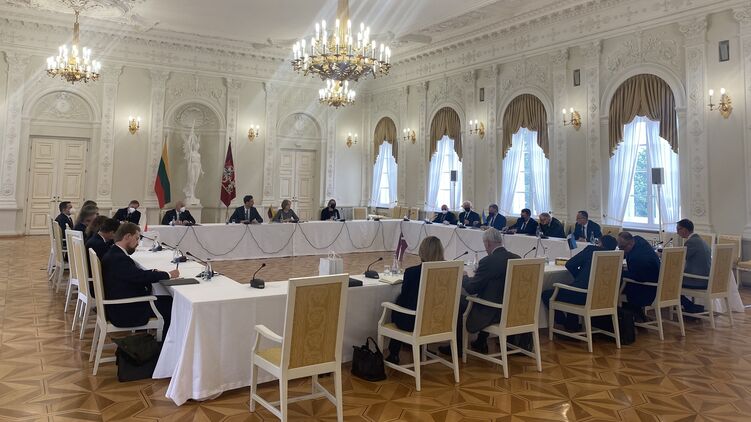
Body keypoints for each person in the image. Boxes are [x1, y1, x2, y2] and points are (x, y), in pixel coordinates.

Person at [438, 228, 519, 357]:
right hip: (511, 311)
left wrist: (464, 277)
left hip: (492, 311)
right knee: (489, 293)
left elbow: (472, 288)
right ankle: (481, 341)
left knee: (458, 301)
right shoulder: (516, 258)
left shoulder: (488, 261)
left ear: (487, 243)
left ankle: (458, 347)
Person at [101, 222, 178, 335]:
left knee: (166, 299)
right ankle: (165, 344)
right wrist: (168, 275)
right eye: (137, 238)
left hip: (120, 305)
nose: (138, 243)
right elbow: (139, 277)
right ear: (127, 236)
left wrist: (152, 272)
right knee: (172, 305)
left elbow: (134, 274)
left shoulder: (114, 253)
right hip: (125, 310)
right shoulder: (119, 258)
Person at [385, 236, 445, 364]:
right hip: (439, 321)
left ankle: (394, 352)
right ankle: (420, 346)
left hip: (414, 323)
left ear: (421, 252)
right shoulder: (447, 272)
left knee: (399, 302)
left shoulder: (412, 273)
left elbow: (405, 298)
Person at [542, 235, 618, 330]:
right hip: (602, 298)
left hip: (583, 296)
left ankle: (564, 324)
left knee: (547, 294)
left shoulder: (592, 250)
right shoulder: (615, 257)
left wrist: (580, 277)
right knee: (572, 289)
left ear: (601, 244)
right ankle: (572, 325)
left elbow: (570, 264)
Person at [618, 231, 661, 311]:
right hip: (658, 285)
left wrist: (620, 273)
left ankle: (624, 313)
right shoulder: (639, 240)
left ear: (630, 244)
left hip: (647, 290)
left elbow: (638, 277)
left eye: (622, 247)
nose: (621, 250)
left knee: (616, 281)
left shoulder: (637, 258)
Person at [677, 219, 711, 313]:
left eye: (678, 229)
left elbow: (679, 259)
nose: (677, 232)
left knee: (671, 282)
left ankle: (689, 306)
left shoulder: (691, 242)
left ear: (685, 230)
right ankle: (689, 306)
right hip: (706, 278)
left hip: (698, 280)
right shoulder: (701, 240)